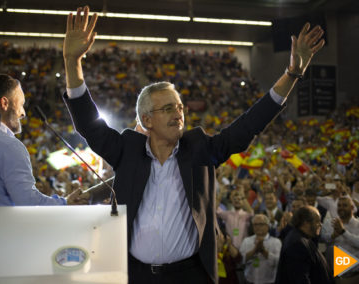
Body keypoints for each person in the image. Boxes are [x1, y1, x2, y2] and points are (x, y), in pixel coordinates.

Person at [62, 6, 325, 283]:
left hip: (190, 274)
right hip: (136, 274)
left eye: (180, 107)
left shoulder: (200, 150)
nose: (178, 113)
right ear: (147, 120)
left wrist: (292, 74)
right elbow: (88, 123)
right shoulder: (126, 149)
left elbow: (249, 124)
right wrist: (71, 60)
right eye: (167, 109)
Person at [0, 74, 82, 206]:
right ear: (4, 103)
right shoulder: (9, 146)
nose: (23, 113)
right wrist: (65, 203)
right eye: (21, 104)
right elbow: (28, 202)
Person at [275, 206, 333, 284]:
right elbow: (300, 278)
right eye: (317, 221)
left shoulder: (303, 239)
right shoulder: (297, 244)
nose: (320, 225)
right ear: (306, 223)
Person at [321, 196, 359, 283]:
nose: (341, 208)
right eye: (339, 205)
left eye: (344, 205)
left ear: (352, 208)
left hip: (355, 275)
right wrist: (333, 236)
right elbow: (322, 239)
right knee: (331, 249)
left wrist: (344, 232)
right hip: (335, 276)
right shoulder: (330, 223)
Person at [240, 214, 281, 284]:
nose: (258, 227)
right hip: (249, 281)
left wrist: (263, 251)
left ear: (268, 226)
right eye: (255, 224)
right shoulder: (246, 241)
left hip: (268, 282)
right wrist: (254, 251)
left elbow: (278, 262)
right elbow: (241, 260)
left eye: (261, 224)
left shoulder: (276, 242)